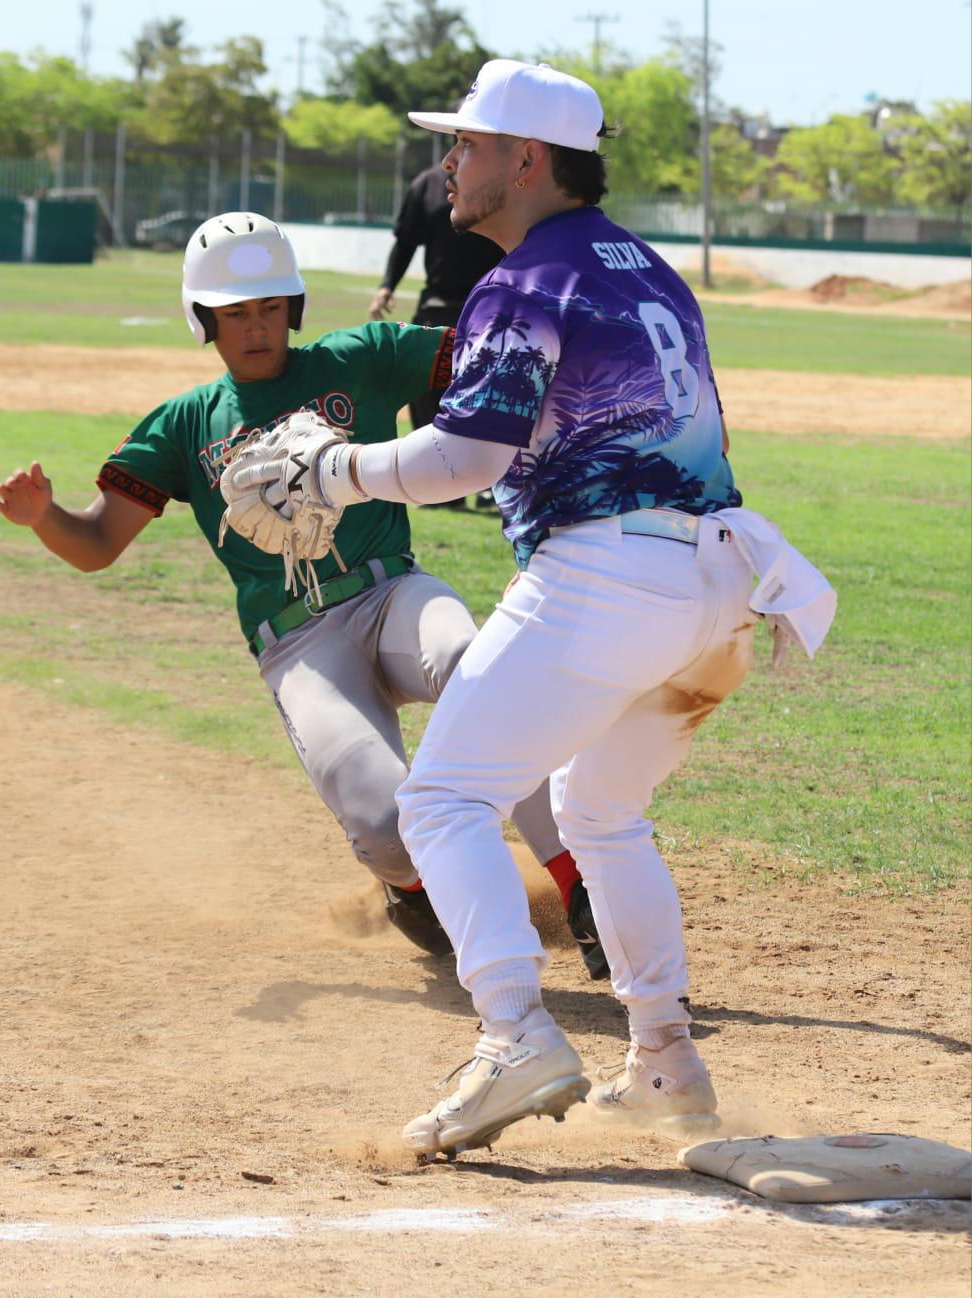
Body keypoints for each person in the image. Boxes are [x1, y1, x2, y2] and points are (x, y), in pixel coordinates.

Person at [278, 60, 836, 1158]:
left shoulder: (527, 277)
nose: (451, 164)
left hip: (610, 575)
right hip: (719, 580)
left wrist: (336, 472)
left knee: (438, 801)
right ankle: (666, 1059)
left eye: (469, 145)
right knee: (595, 812)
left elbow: (464, 457)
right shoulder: (644, 267)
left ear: (526, 159)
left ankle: (513, 1036)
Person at [0, 209, 610, 976]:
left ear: (295, 307)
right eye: (235, 312)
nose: (257, 326)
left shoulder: (365, 355)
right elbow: (97, 541)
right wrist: (42, 515)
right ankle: (413, 891)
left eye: (271, 308)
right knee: (385, 820)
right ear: (203, 320)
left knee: (470, 663)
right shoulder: (185, 424)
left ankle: (585, 892)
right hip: (300, 644)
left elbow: (495, 363)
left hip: (392, 593)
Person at [369, 162, 501, 510]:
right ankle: (440, 485)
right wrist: (386, 287)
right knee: (425, 390)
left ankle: (489, 484)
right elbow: (406, 242)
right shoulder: (428, 184)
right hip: (439, 305)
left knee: (484, 398)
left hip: (495, 304)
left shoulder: (505, 182)